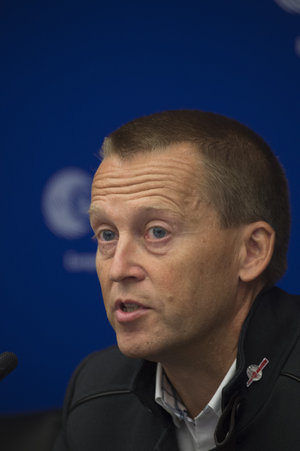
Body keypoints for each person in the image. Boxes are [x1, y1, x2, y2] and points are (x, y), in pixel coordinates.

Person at [53, 110, 300, 451]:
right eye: (107, 234)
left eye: (157, 232)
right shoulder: (96, 391)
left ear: (251, 251)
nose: (118, 269)